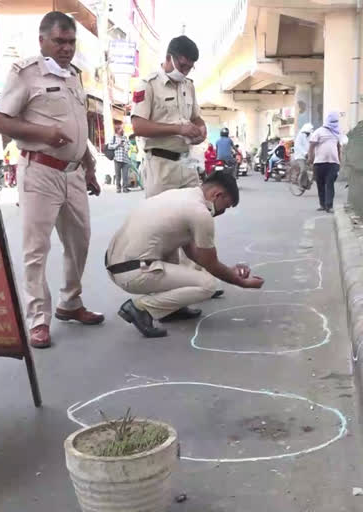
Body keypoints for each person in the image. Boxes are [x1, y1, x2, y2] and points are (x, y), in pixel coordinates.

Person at [0, 11, 104, 349]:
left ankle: (70, 302)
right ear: (42, 41)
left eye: (71, 42)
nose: (66, 48)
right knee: (35, 250)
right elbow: (1, 121)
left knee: (80, 241)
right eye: (60, 41)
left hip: (73, 174)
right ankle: (38, 320)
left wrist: (89, 167)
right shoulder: (25, 74)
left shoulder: (74, 76)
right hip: (39, 171)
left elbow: (78, 130)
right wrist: (43, 132)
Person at [106, 172, 265, 338]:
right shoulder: (200, 213)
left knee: (176, 256)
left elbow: (194, 254)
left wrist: (229, 271)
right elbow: (209, 262)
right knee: (207, 285)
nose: (221, 213)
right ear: (217, 195)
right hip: (132, 272)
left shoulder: (181, 196)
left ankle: (170, 310)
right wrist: (241, 282)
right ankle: (141, 308)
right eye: (224, 207)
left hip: (118, 265)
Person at [130, 35, 207, 198]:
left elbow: (195, 117)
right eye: (182, 66)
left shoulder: (188, 85)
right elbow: (138, 126)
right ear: (168, 58)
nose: (184, 72)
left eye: (189, 68)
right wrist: (178, 129)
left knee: (192, 215)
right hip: (160, 166)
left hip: (187, 162)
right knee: (161, 220)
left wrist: (202, 129)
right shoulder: (148, 84)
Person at [308, 112, 342, 213]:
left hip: (333, 163)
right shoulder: (319, 132)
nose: (334, 123)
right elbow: (312, 145)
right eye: (332, 121)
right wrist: (310, 157)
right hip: (319, 163)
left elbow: (339, 147)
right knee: (321, 184)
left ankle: (329, 206)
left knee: (330, 183)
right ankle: (322, 204)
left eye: (336, 121)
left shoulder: (337, 133)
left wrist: (340, 161)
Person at [111, 123, 131, 193]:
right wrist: (118, 144)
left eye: (122, 129)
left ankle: (125, 188)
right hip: (117, 159)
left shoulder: (125, 138)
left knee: (125, 175)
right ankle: (118, 188)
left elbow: (129, 147)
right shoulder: (113, 138)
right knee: (118, 175)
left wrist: (125, 145)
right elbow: (110, 146)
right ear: (117, 130)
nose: (122, 130)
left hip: (125, 159)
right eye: (121, 129)